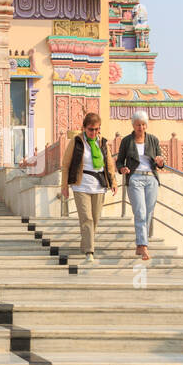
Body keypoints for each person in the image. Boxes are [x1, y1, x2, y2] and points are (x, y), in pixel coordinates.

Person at [59, 112, 115, 263]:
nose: (94, 132)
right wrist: (64, 186)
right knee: (87, 218)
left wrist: (113, 182)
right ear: (83, 128)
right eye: (91, 129)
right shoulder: (76, 142)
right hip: (81, 184)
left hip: (99, 185)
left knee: (95, 219)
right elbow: (66, 165)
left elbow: (109, 163)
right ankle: (90, 251)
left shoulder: (102, 142)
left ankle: (84, 245)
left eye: (97, 129)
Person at [115, 110, 165, 261]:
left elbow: (160, 161)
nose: (141, 128)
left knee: (148, 212)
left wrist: (160, 162)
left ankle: (140, 245)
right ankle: (143, 246)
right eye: (138, 125)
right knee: (140, 212)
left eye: (143, 125)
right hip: (135, 178)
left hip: (151, 178)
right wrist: (122, 169)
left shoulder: (153, 140)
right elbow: (119, 161)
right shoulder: (126, 141)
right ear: (133, 125)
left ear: (146, 125)